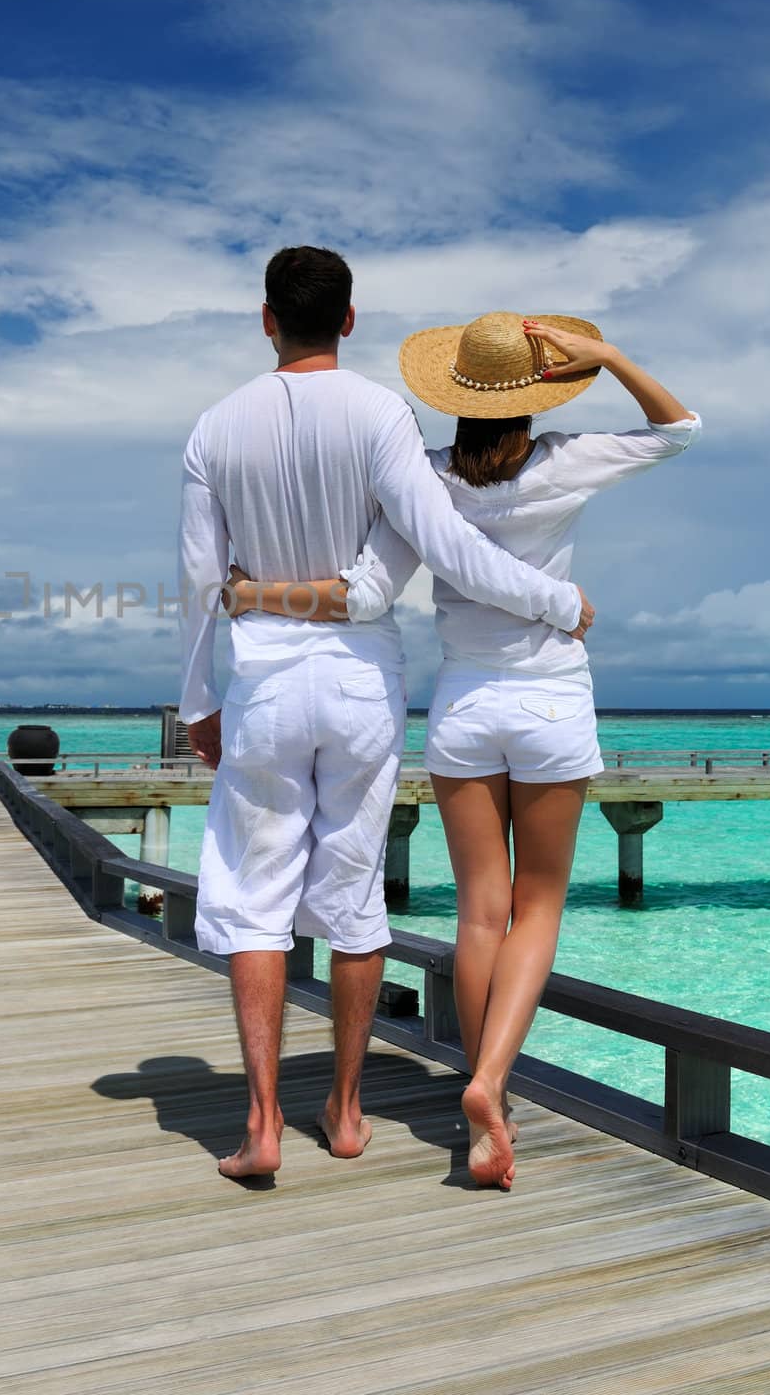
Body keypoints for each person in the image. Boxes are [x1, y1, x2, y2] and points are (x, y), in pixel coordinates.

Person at [222, 310, 699, 1189]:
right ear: (534, 397)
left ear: (455, 400)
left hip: (465, 706)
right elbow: (679, 430)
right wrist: (609, 356)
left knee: (480, 910)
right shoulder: (567, 461)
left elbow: (367, 590)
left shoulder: (427, 481)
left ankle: (487, 1106)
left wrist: (253, 592)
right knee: (539, 908)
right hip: (553, 699)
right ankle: (489, 1087)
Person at [178, 258, 595, 1181]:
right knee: (354, 898)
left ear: (266, 320)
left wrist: (196, 701)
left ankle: (260, 1125)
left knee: (255, 896)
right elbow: (446, 546)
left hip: (263, 679)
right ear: (351, 319)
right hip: (362, 686)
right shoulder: (380, 416)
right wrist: (554, 601)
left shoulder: (214, 429)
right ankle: (348, 1110)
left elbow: (203, 584)